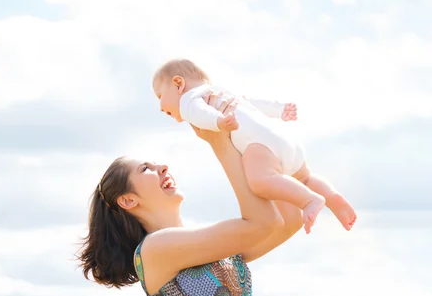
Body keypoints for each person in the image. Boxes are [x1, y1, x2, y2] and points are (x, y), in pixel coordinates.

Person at [78, 93, 303, 296]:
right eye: (146, 168)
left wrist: (255, 139)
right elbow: (264, 221)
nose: (162, 166)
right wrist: (220, 143)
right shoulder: (156, 249)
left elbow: (288, 218)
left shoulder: (206, 244)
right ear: (128, 201)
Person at [152, 58, 357, 234]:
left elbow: (199, 112)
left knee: (260, 182)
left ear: (178, 84)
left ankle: (309, 200)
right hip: (283, 138)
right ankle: (331, 196)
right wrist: (279, 109)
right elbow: (251, 102)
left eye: (160, 96)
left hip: (259, 144)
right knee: (305, 177)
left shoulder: (188, 99)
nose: (160, 107)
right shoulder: (221, 91)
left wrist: (219, 122)